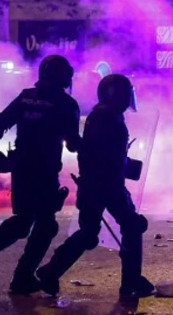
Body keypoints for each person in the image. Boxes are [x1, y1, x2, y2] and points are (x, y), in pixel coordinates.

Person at [0, 55, 81, 294]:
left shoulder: (25, 98)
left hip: (22, 168)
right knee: (45, 225)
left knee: (24, 221)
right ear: (65, 77)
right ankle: (20, 275)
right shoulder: (66, 104)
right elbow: (73, 144)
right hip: (45, 171)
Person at [36, 73, 152, 300]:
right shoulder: (107, 117)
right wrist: (116, 175)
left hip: (96, 184)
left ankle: (50, 271)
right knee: (132, 226)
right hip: (106, 184)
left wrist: (124, 165)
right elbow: (101, 156)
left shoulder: (103, 115)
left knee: (89, 233)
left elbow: (98, 152)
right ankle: (130, 282)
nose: (128, 97)